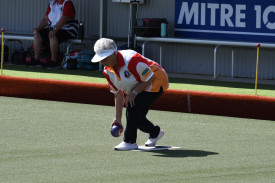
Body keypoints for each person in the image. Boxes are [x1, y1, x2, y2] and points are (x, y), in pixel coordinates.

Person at [91, 38, 169, 151]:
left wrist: (134, 92)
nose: (103, 62)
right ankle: (155, 133)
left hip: (157, 79)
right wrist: (117, 119)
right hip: (140, 84)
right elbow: (118, 94)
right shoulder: (107, 71)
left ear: (114, 53)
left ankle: (129, 141)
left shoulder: (131, 59)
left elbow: (150, 77)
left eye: (105, 58)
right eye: (101, 59)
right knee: (137, 118)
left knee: (132, 104)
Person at [31, 0, 78, 67]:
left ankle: (53, 61)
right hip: (54, 28)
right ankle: (36, 59)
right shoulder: (51, 3)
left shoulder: (67, 3)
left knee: (52, 35)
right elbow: (46, 19)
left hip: (68, 29)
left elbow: (64, 18)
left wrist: (55, 29)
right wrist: (38, 29)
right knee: (37, 35)